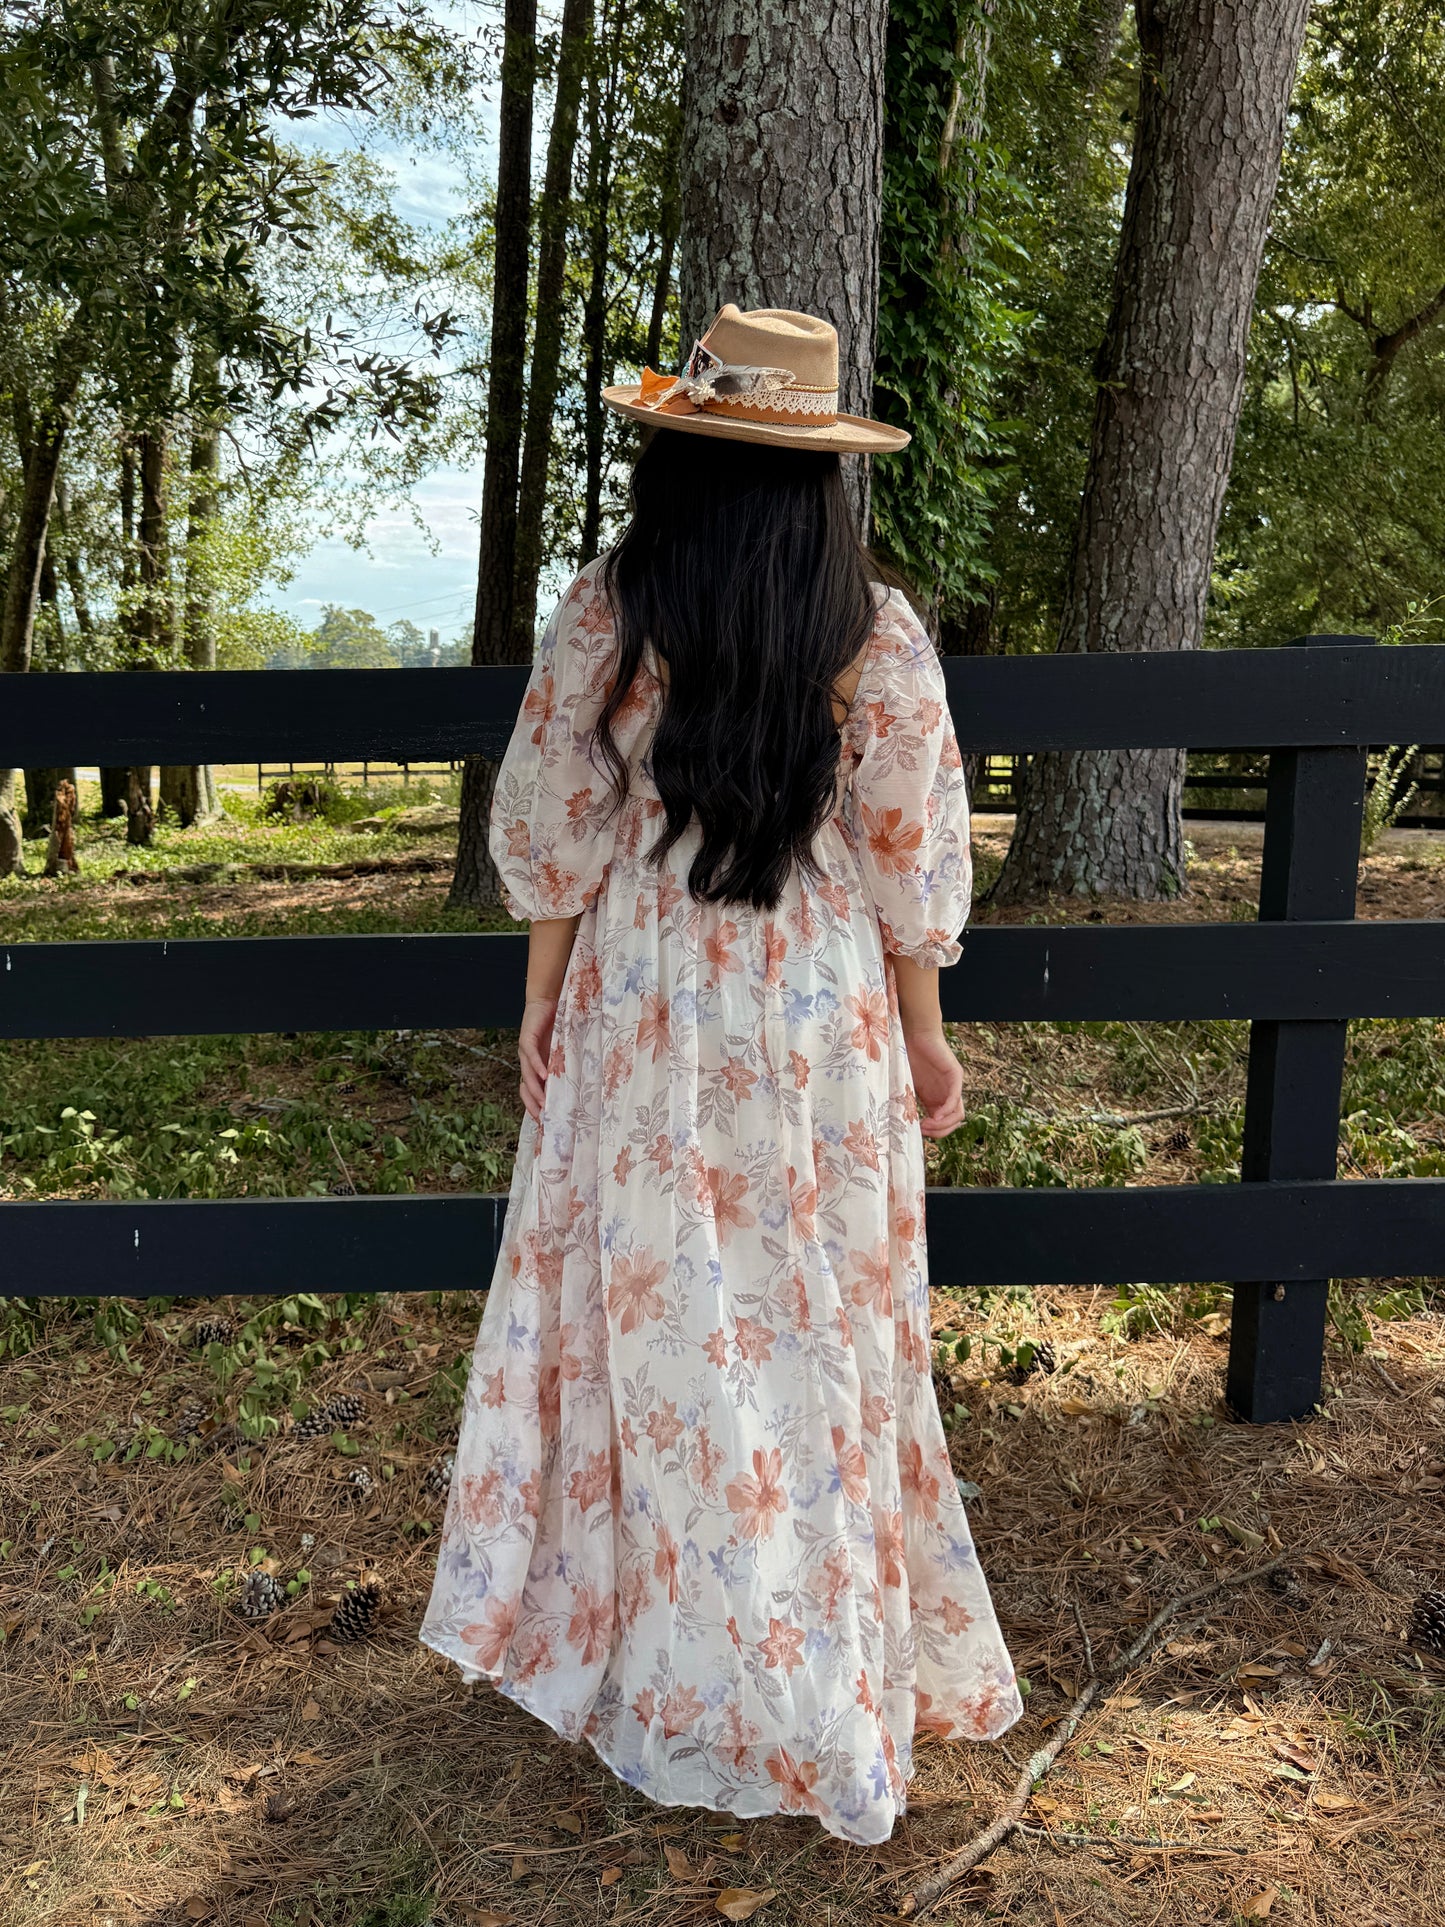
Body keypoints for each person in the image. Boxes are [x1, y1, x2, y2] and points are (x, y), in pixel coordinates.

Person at [421, 305, 1022, 1845]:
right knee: (815, 1333)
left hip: (647, 1001)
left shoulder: (615, 606)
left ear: (676, 457)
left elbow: (550, 820)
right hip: (816, 1011)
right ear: (819, 473)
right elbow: (908, 857)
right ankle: (813, 1675)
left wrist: (540, 1004)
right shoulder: (872, 628)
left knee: (664, 1340)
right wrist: (926, 1033)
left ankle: (679, 1669)